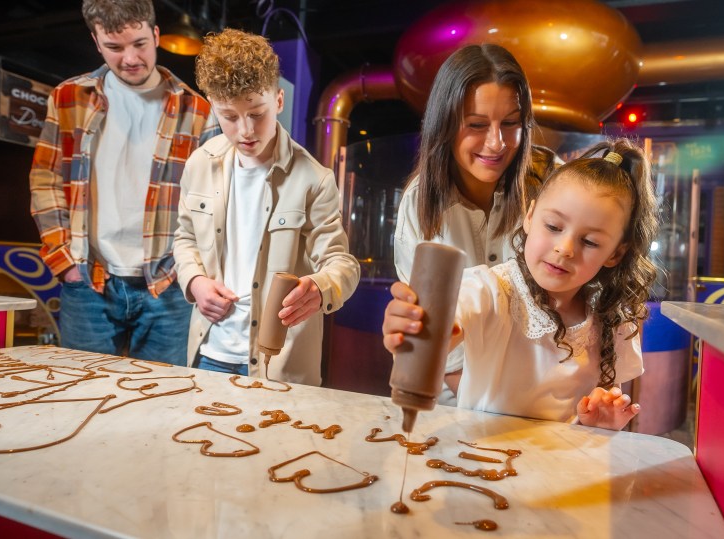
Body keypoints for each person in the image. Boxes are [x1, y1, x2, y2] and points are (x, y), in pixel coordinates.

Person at [383, 138, 659, 430]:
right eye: (553, 226)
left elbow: (596, 414)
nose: (564, 248)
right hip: (477, 464)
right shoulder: (493, 290)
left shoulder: (613, 321)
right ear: (530, 216)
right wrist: (417, 329)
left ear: (615, 253)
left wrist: (602, 422)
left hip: (557, 471)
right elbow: (446, 321)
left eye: (589, 241)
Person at [29, 0, 218, 363]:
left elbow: (209, 199)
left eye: (140, 44)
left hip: (167, 281)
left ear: (156, 35)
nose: (130, 58)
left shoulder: (198, 111)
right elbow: (45, 178)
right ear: (97, 42)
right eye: (115, 47)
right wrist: (64, 261)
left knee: (161, 398)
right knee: (82, 393)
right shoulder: (69, 97)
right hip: (88, 278)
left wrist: (187, 269)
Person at [172, 28, 359, 384]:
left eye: (256, 113)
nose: (245, 130)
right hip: (208, 353)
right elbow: (184, 239)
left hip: (280, 367)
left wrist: (321, 288)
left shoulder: (314, 179)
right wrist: (195, 281)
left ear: (278, 100)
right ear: (213, 107)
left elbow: (342, 264)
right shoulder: (199, 164)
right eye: (228, 116)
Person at [393, 43, 558, 401]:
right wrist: (490, 404)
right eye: (477, 125)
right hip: (455, 399)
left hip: (542, 392)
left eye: (510, 123)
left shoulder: (550, 184)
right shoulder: (420, 203)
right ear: (445, 125)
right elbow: (434, 339)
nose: (496, 143)